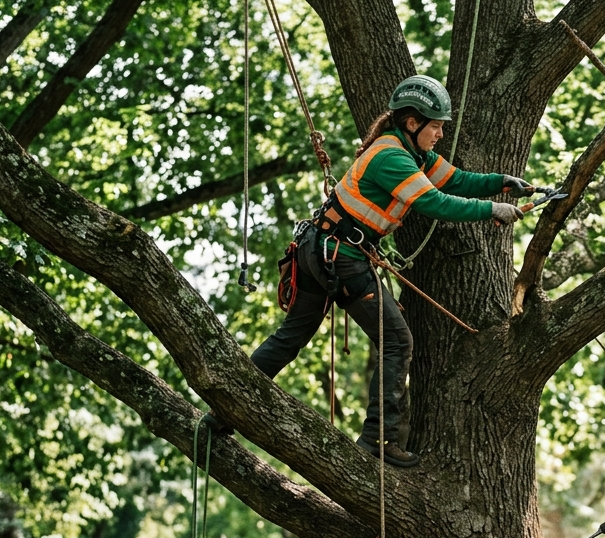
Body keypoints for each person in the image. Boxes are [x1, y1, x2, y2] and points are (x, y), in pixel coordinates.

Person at [207, 75, 534, 467]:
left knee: (290, 337)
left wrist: (501, 184)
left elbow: (458, 180)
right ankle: (378, 439)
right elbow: (435, 202)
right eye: (436, 126)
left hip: (321, 248)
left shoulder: (414, 154)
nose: (441, 134)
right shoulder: (392, 157)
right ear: (412, 123)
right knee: (396, 341)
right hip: (339, 255)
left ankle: (221, 413)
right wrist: (491, 210)